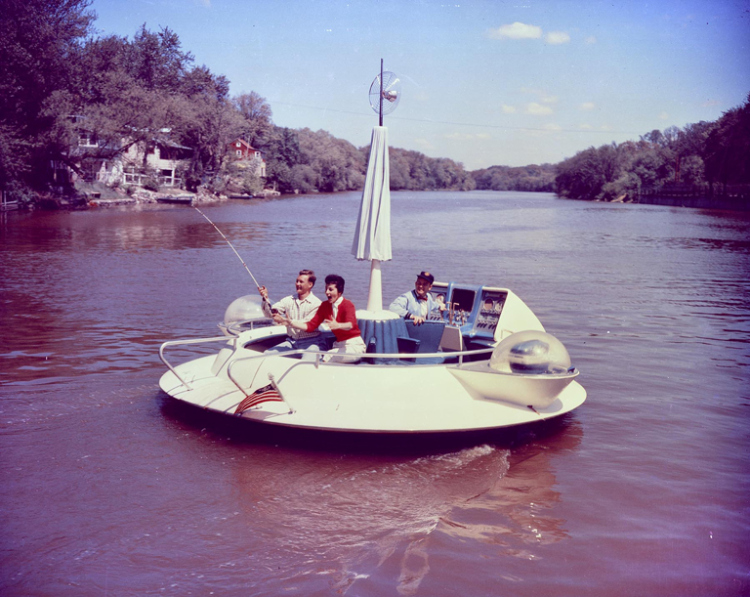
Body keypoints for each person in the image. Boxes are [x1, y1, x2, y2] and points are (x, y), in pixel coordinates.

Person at [284, 274, 366, 363]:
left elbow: (350, 324)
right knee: (323, 356)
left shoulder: (348, 305)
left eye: (330, 289)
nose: (327, 292)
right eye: (326, 289)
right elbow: (311, 326)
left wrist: (338, 325)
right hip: (338, 346)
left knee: (329, 355)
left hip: (354, 346)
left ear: (339, 291)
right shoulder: (325, 306)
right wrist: (291, 323)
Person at [258, 269, 323, 352]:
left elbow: (308, 325)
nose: (297, 284)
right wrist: (265, 298)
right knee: (267, 354)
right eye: (297, 281)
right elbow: (269, 314)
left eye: (301, 282)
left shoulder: (317, 304)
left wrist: (286, 321)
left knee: (308, 359)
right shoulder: (288, 300)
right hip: (291, 342)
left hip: (312, 343)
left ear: (310, 284)